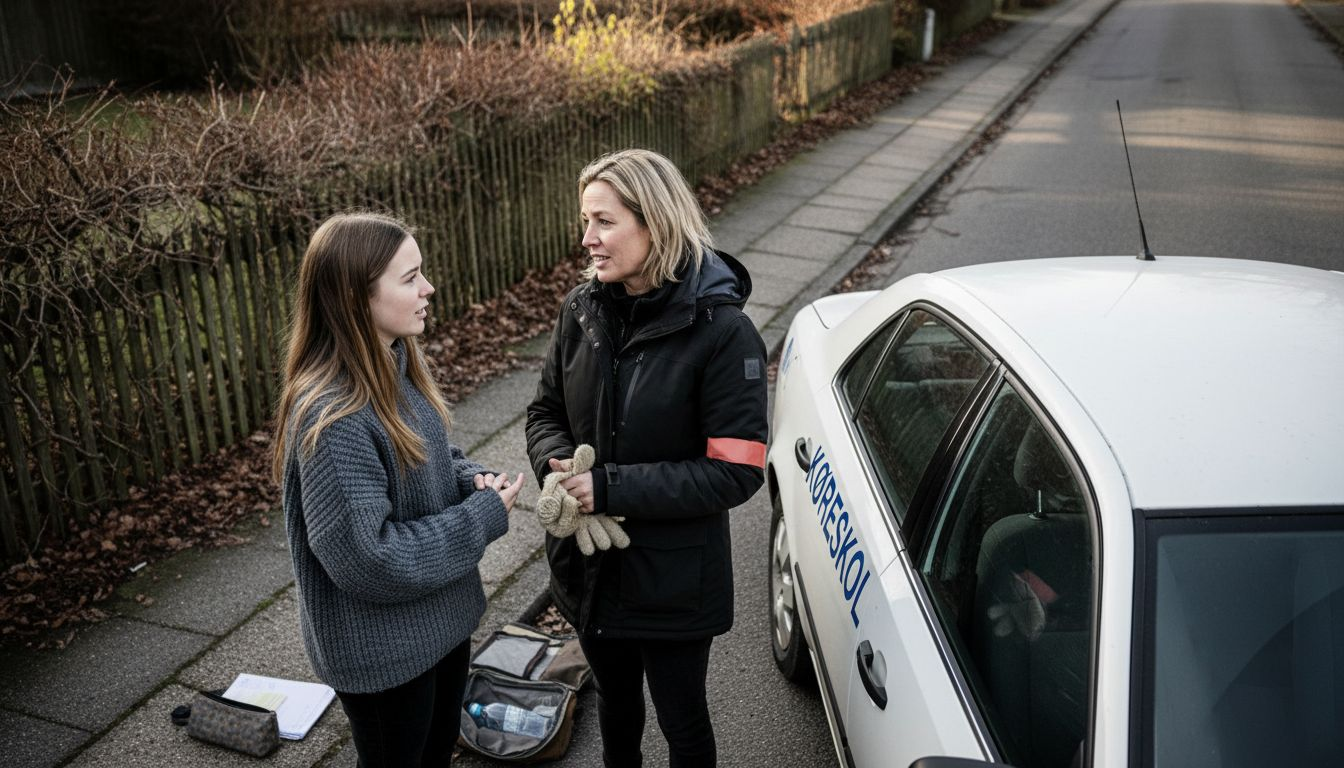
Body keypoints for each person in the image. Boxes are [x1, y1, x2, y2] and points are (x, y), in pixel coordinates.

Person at [526, 149, 769, 767]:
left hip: (672, 584)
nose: (587, 240)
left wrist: (608, 489)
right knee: (615, 707)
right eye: (586, 221)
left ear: (653, 223)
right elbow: (545, 412)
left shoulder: (724, 333)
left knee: (682, 723)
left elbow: (736, 471)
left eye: (603, 222)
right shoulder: (580, 310)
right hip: (589, 574)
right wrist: (558, 463)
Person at [272, 212, 523, 768]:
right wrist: (479, 518)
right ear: (356, 297)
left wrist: (467, 479)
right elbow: (368, 558)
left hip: (444, 622)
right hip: (385, 653)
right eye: (410, 278)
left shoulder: (396, 361)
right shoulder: (334, 418)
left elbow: (427, 459)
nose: (428, 287)